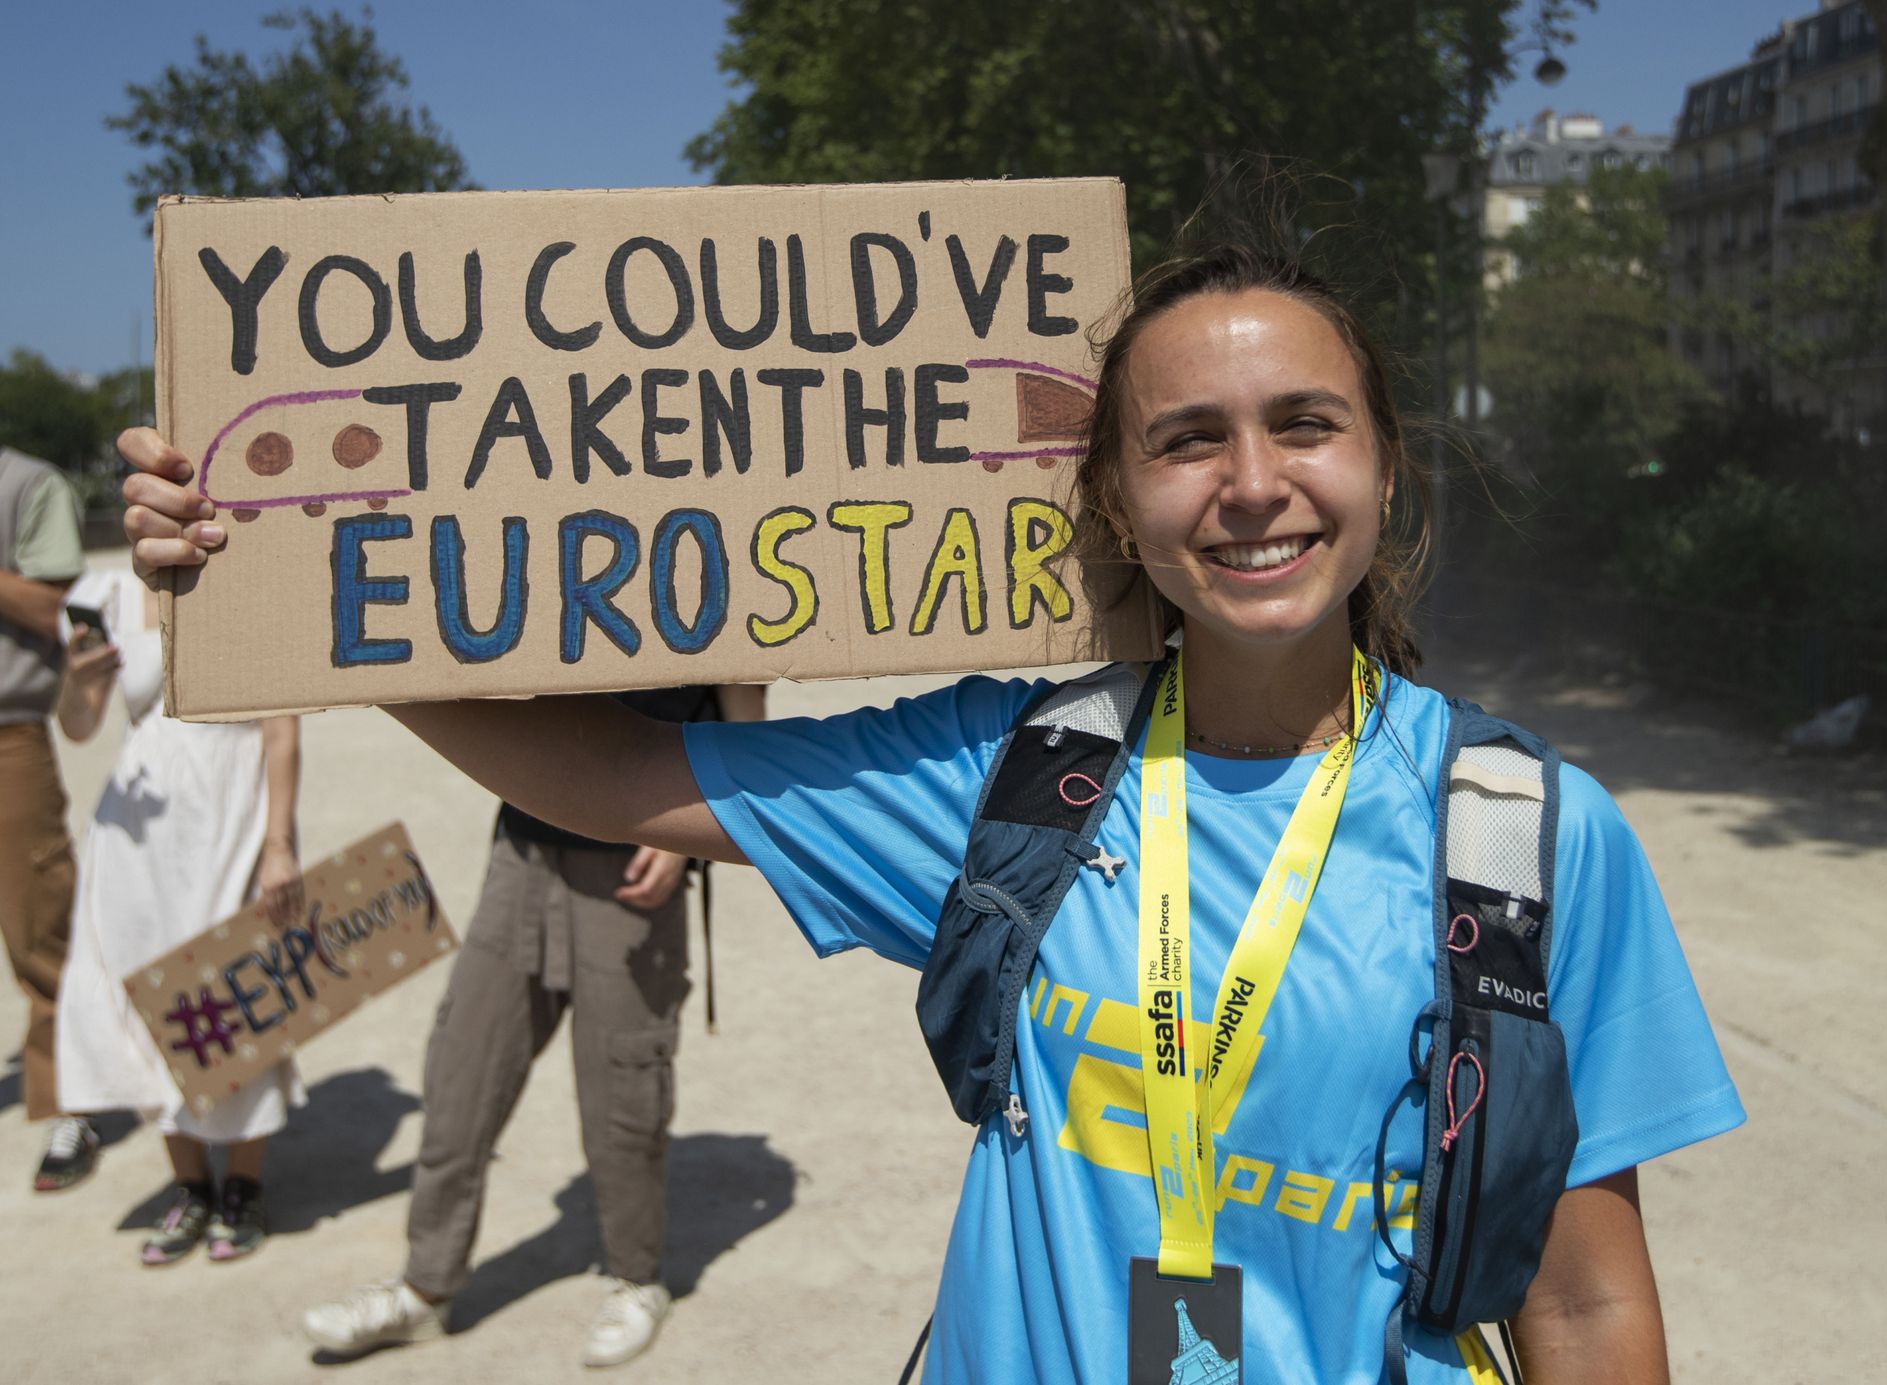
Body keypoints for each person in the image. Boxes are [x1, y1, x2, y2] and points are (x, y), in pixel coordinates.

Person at [120, 238, 1745, 1382]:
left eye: (1302, 425)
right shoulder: (1018, 774)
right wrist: (291, 587)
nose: (1251, 484)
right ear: (1117, 497)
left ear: (1386, 466)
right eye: (1187, 443)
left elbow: (1590, 1310)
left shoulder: (1526, 837)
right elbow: (623, 776)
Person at [299, 682, 763, 1369]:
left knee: (622, 1092)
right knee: (461, 1069)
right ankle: (426, 1287)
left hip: (637, 851)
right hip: (524, 842)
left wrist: (692, 834)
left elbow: (743, 697)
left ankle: (637, 1280)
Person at [52, 561, 305, 1263]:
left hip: (235, 810)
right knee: (148, 992)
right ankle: (190, 1187)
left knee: (236, 986)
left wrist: (278, 844)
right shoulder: (100, 594)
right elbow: (77, 727)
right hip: (137, 828)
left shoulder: (250, 578)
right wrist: (81, 682)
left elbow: (281, 729)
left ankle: (243, 1186)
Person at [0, 444, 98, 1191]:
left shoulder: (29, 484)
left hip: (8, 735)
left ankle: (70, 1102)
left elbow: (53, 609)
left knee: (39, 926)